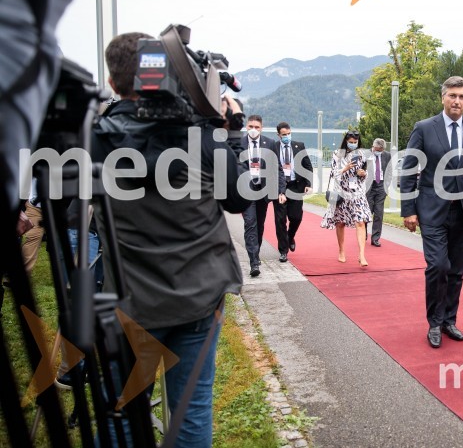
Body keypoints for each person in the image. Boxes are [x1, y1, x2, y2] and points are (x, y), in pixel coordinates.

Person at [92, 31, 249, 446]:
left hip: (128, 297)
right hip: (198, 295)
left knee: (123, 412)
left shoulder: (93, 139)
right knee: (191, 409)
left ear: (113, 82)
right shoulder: (198, 137)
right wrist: (227, 130)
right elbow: (238, 199)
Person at [400, 76, 463, 349]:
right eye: (452, 96)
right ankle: (434, 322)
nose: (457, 101)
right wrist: (408, 209)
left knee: (456, 270)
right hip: (432, 210)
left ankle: (449, 320)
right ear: (443, 97)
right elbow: (409, 169)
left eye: (462, 97)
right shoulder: (424, 128)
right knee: (438, 266)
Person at [241, 114, 285, 276]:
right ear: (246, 126)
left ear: (262, 128)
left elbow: (278, 168)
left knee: (259, 223)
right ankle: (253, 262)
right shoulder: (239, 143)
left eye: (257, 127)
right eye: (251, 127)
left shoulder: (270, 143)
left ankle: (256, 252)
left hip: (263, 190)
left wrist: (281, 190)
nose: (253, 130)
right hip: (245, 190)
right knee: (250, 223)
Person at [321, 131, 372, 266]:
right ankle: (341, 250)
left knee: (360, 222)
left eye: (355, 142)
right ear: (346, 141)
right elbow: (333, 174)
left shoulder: (362, 154)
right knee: (340, 222)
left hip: (357, 193)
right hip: (341, 193)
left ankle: (361, 255)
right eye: (351, 142)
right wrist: (345, 168)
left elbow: (365, 173)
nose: (353, 144)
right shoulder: (338, 154)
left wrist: (363, 173)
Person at [274, 122, 313, 262]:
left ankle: (290, 236)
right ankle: (283, 251)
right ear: (278, 135)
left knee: (296, 217)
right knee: (280, 220)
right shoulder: (274, 147)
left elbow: (308, 166)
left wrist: (309, 183)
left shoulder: (299, 146)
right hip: (279, 188)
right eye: (284, 134)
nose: (287, 136)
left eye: (289, 133)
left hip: (296, 187)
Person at [364, 138, 392, 247]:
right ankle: (363, 234)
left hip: (381, 186)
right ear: (373, 146)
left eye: (381, 150)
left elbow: (389, 171)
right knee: (367, 213)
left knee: (379, 214)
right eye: (377, 149)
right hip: (369, 187)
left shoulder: (387, 155)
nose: (379, 151)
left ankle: (375, 238)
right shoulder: (366, 154)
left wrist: (387, 185)